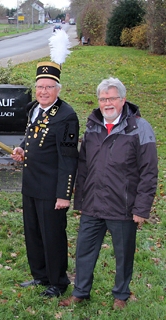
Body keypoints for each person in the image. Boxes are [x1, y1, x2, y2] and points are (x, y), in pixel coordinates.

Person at [59, 77, 158, 310]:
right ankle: (80, 292)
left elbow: (149, 172)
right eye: (103, 99)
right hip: (93, 205)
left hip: (123, 206)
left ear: (123, 100)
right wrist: (81, 199)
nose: (107, 103)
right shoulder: (93, 125)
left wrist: (141, 208)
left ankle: (121, 295)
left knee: (123, 255)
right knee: (84, 250)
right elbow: (83, 166)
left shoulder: (139, 128)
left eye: (112, 98)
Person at [11, 61, 79, 298]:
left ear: (58, 89)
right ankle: (40, 275)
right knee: (33, 233)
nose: (43, 91)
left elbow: (69, 158)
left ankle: (58, 282)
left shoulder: (67, 116)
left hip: (51, 189)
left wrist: (64, 194)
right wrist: (21, 149)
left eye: (49, 87)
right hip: (30, 184)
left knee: (53, 236)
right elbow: (33, 135)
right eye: (40, 86)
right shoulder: (34, 109)